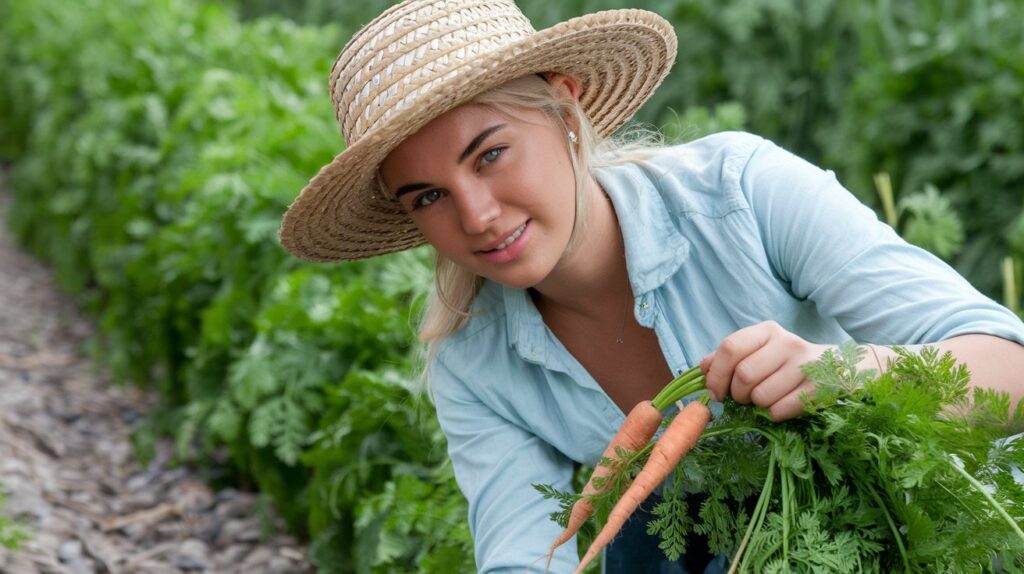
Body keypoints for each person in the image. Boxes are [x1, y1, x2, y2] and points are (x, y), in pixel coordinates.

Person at [278, 0, 1024, 572]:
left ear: (564, 105)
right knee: (644, 530)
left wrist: (846, 373)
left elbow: (1011, 371)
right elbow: (521, 553)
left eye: (491, 154)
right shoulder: (475, 361)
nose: (478, 216)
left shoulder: (743, 194)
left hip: (906, 533)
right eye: (427, 197)